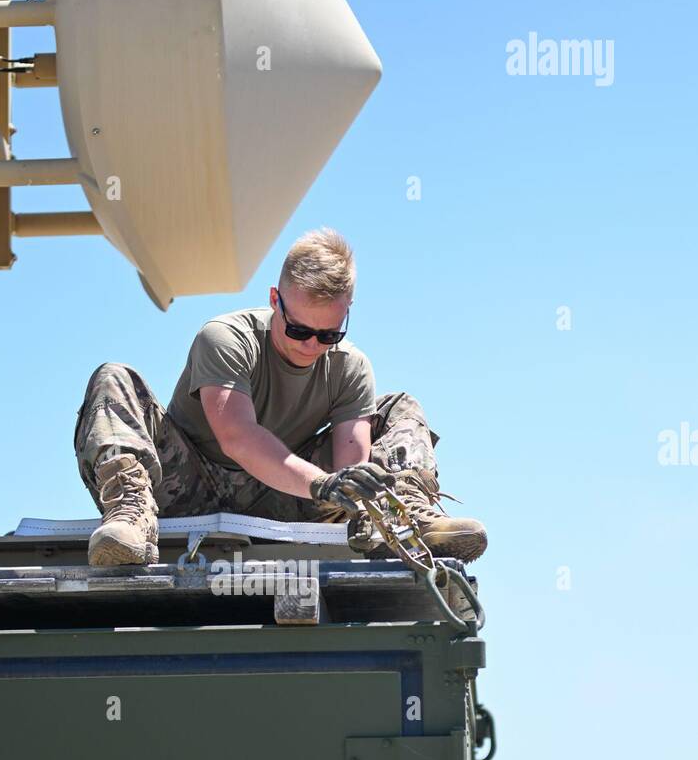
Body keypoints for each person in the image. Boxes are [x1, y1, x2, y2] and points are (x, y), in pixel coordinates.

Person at [74, 228, 488, 567]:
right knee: (113, 378)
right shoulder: (225, 338)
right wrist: (322, 483)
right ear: (276, 300)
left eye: (329, 335)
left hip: (290, 496)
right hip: (187, 489)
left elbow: (350, 465)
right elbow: (237, 436)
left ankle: (394, 519)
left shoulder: (350, 367)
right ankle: (130, 517)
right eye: (299, 331)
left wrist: (350, 489)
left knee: (400, 406)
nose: (312, 346)